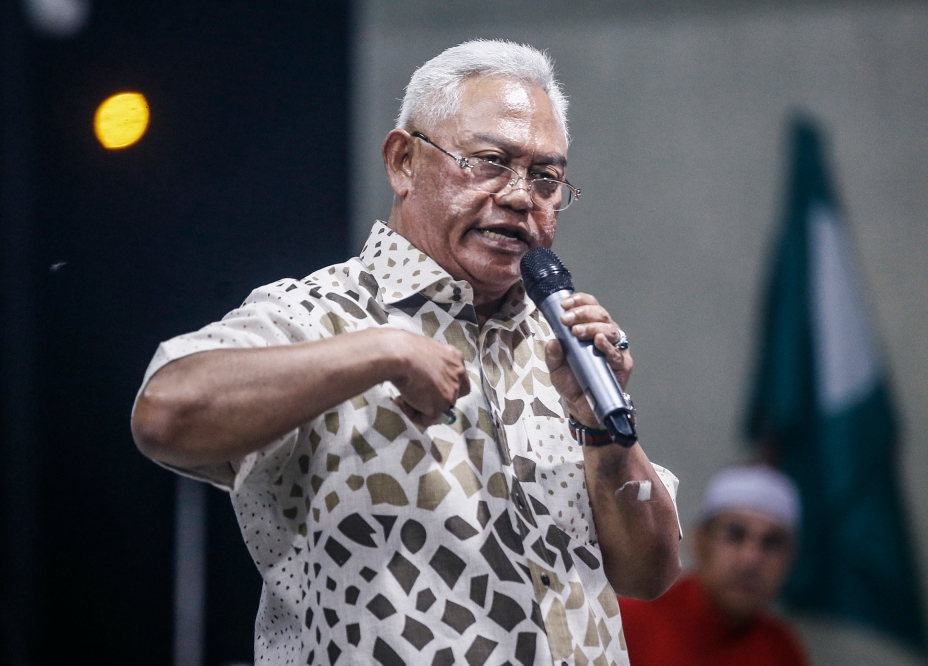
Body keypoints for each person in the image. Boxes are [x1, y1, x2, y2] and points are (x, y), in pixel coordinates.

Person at [132, 39, 682, 666]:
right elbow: (164, 414)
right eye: (490, 161)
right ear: (402, 161)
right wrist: (381, 350)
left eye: (546, 177)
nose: (520, 196)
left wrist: (605, 436)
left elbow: (651, 575)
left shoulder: (560, 346)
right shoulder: (319, 314)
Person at [619, 465, 807, 666]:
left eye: (771, 543)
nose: (751, 559)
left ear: (789, 559)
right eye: (735, 535)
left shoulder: (781, 651)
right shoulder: (625, 625)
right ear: (701, 542)